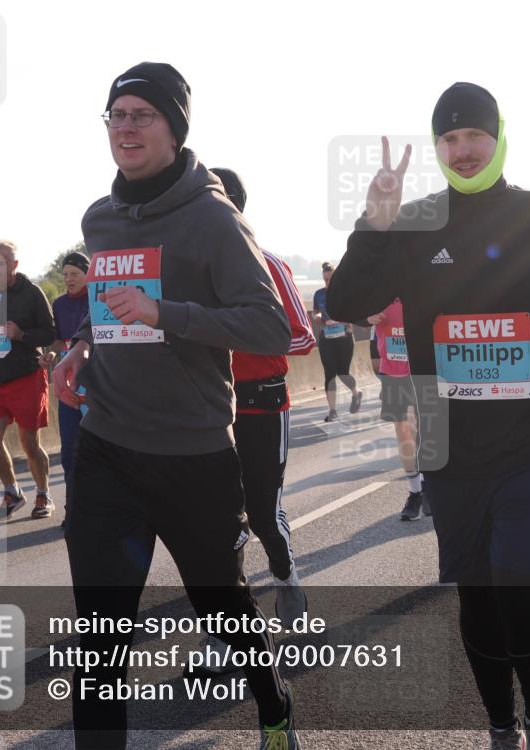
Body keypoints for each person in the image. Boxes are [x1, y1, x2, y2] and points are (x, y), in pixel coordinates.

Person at [326, 82, 530, 750]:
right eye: (449, 139)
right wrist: (375, 219)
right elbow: (347, 299)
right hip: (449, 442)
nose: (461, 150)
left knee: (520, 586)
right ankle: (500, 727)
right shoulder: (414, 221)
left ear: (498, 136)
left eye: (473, 136)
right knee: (477, 599)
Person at [51, 62, 298, 749]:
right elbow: (112, 307)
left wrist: (167, 313)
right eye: (116, 115)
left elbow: (269, 326)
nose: (125, 128)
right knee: (100, 638)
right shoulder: (98, 219)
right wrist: (81, 345)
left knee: (225, 613)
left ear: (174, 127)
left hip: (193, 456)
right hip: (107, 449)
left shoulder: (214, 220)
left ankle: (273, 706)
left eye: (142, 115)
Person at [189, 167, 314, 672]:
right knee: (216, 522)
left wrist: (242, 331)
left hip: (263, 408)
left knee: (262, 516)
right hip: (208, 412)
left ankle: (286, 579)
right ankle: (223, 628)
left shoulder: (270, 265)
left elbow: (303, 337)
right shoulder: (188, 271)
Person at [0, 240, 56, 520]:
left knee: (29, 443)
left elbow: (50, 333)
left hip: (25, 376)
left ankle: (43, 494)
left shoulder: (32, 293)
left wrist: (21, 335)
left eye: (0, 264)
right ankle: (13, 492)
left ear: (14, 265)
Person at [39, 251, 91, 528]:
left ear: (88, 274)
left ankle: (101, 509)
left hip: (97, 382)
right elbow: (59, 341)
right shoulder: (59, 305)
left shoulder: (98, 299)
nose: (69, 279)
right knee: (70, 447)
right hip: (69, 381)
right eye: (65, 275)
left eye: (74, 274)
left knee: (98, 447)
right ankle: (74, 510)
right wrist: (51, 354)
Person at [366, 298, 428, 520]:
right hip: (392, 370)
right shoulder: (382, 288)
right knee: (404, 430)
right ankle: (415, 491)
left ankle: (429, 482)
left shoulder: (423, 286)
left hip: (423, 369)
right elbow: (349, 305)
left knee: (423, 430)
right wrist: (365, 317)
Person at [313, 262, 362, 421]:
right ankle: (332, 410)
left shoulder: (345, 292)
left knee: (343, 373)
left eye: (330, 280)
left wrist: (344, 321)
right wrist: (319, 318)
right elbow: (316, 313)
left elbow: (354, 311)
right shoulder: (319, 294)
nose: (327, 283)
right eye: (325, 280)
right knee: (329, 374)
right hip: (327, 339)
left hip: (344, 338)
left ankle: (356, 393)